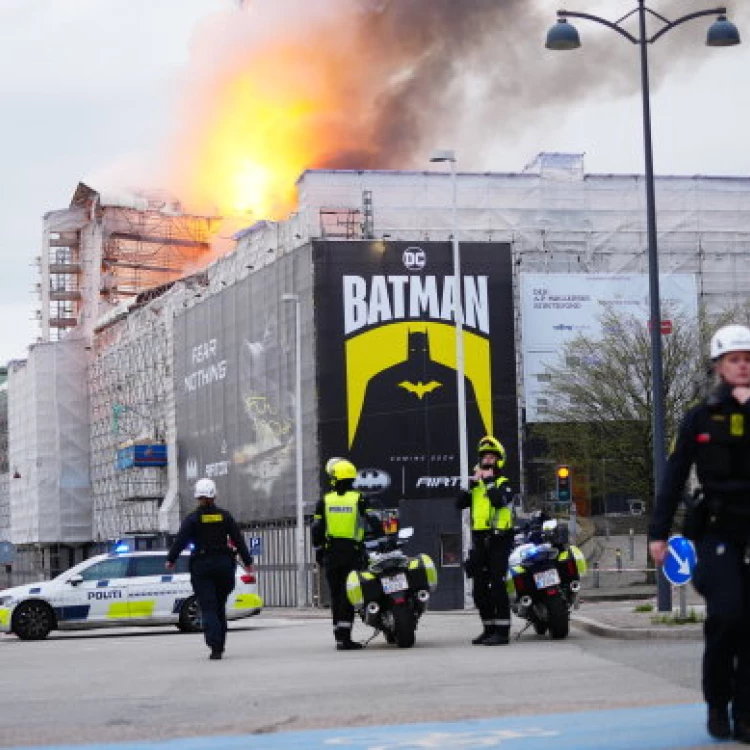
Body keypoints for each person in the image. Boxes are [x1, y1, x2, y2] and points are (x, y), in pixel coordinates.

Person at [648, 324, 750, 743]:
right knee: (727, 616)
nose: (743, 366)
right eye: (734, 359)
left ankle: (745, 713)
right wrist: (658, 533)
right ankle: (717, 703)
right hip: (717, 531)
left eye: (748, 359)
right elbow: (674, 475)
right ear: (719, 367)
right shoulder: (700, 417)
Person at [166, 477, 254, 661]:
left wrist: (171, 559)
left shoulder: (193, 519)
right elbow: (238, 539)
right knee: (219, 605)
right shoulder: (225, 516)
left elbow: (181, 540)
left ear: (198, 497)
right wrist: (247, 562)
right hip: (224, 565)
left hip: (203, 566)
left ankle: (215, 646)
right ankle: (220, 644)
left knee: (208, 607)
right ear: (215, 495)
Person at [457, 435, 515, 646]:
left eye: (492, 457)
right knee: (479, 589)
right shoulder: (477, 486)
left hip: (499, 540)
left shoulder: (503, 483)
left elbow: (499, 501)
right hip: (480, 540)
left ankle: (502, 631)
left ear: (499, 460)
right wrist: (469, 487)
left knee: (498, 587)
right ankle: (488, 628)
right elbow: (458, 504)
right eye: (485, 457)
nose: (487, 460)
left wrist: (489, 482)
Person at [312, 458, 369, 651]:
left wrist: (318, 551)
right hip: (352, 554)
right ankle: (345, 638)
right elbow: (373, 522)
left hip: (331, 554)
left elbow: (317, 529)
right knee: (348, 596)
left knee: (336, 596)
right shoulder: (359, 499)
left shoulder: (325, 501)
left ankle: (339, 636)